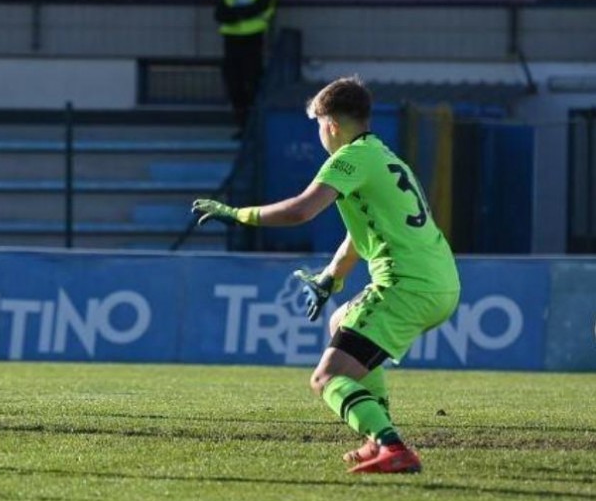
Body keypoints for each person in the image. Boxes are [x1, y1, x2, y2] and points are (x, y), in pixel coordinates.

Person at [192, 76, 460, 474]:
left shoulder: (349, 159)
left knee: (326, 378)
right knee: (341, 320)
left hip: (406, 286)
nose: (320, 133)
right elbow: (359, 234)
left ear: (330, 123)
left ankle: (392, 446)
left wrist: (238, 215)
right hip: (440, 282)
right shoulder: (384, 157)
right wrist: (331, 279)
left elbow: (301, 210)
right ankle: (375, 439)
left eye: (318, 125)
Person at [214, 0, 276, 137]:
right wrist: (242, 13)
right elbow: (220, 14)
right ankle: (242, 126)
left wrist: (236, 14)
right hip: (231, 42)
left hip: (253, 40)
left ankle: (255, 126)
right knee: (234, 85)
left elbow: (259, 8)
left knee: (254, 83)